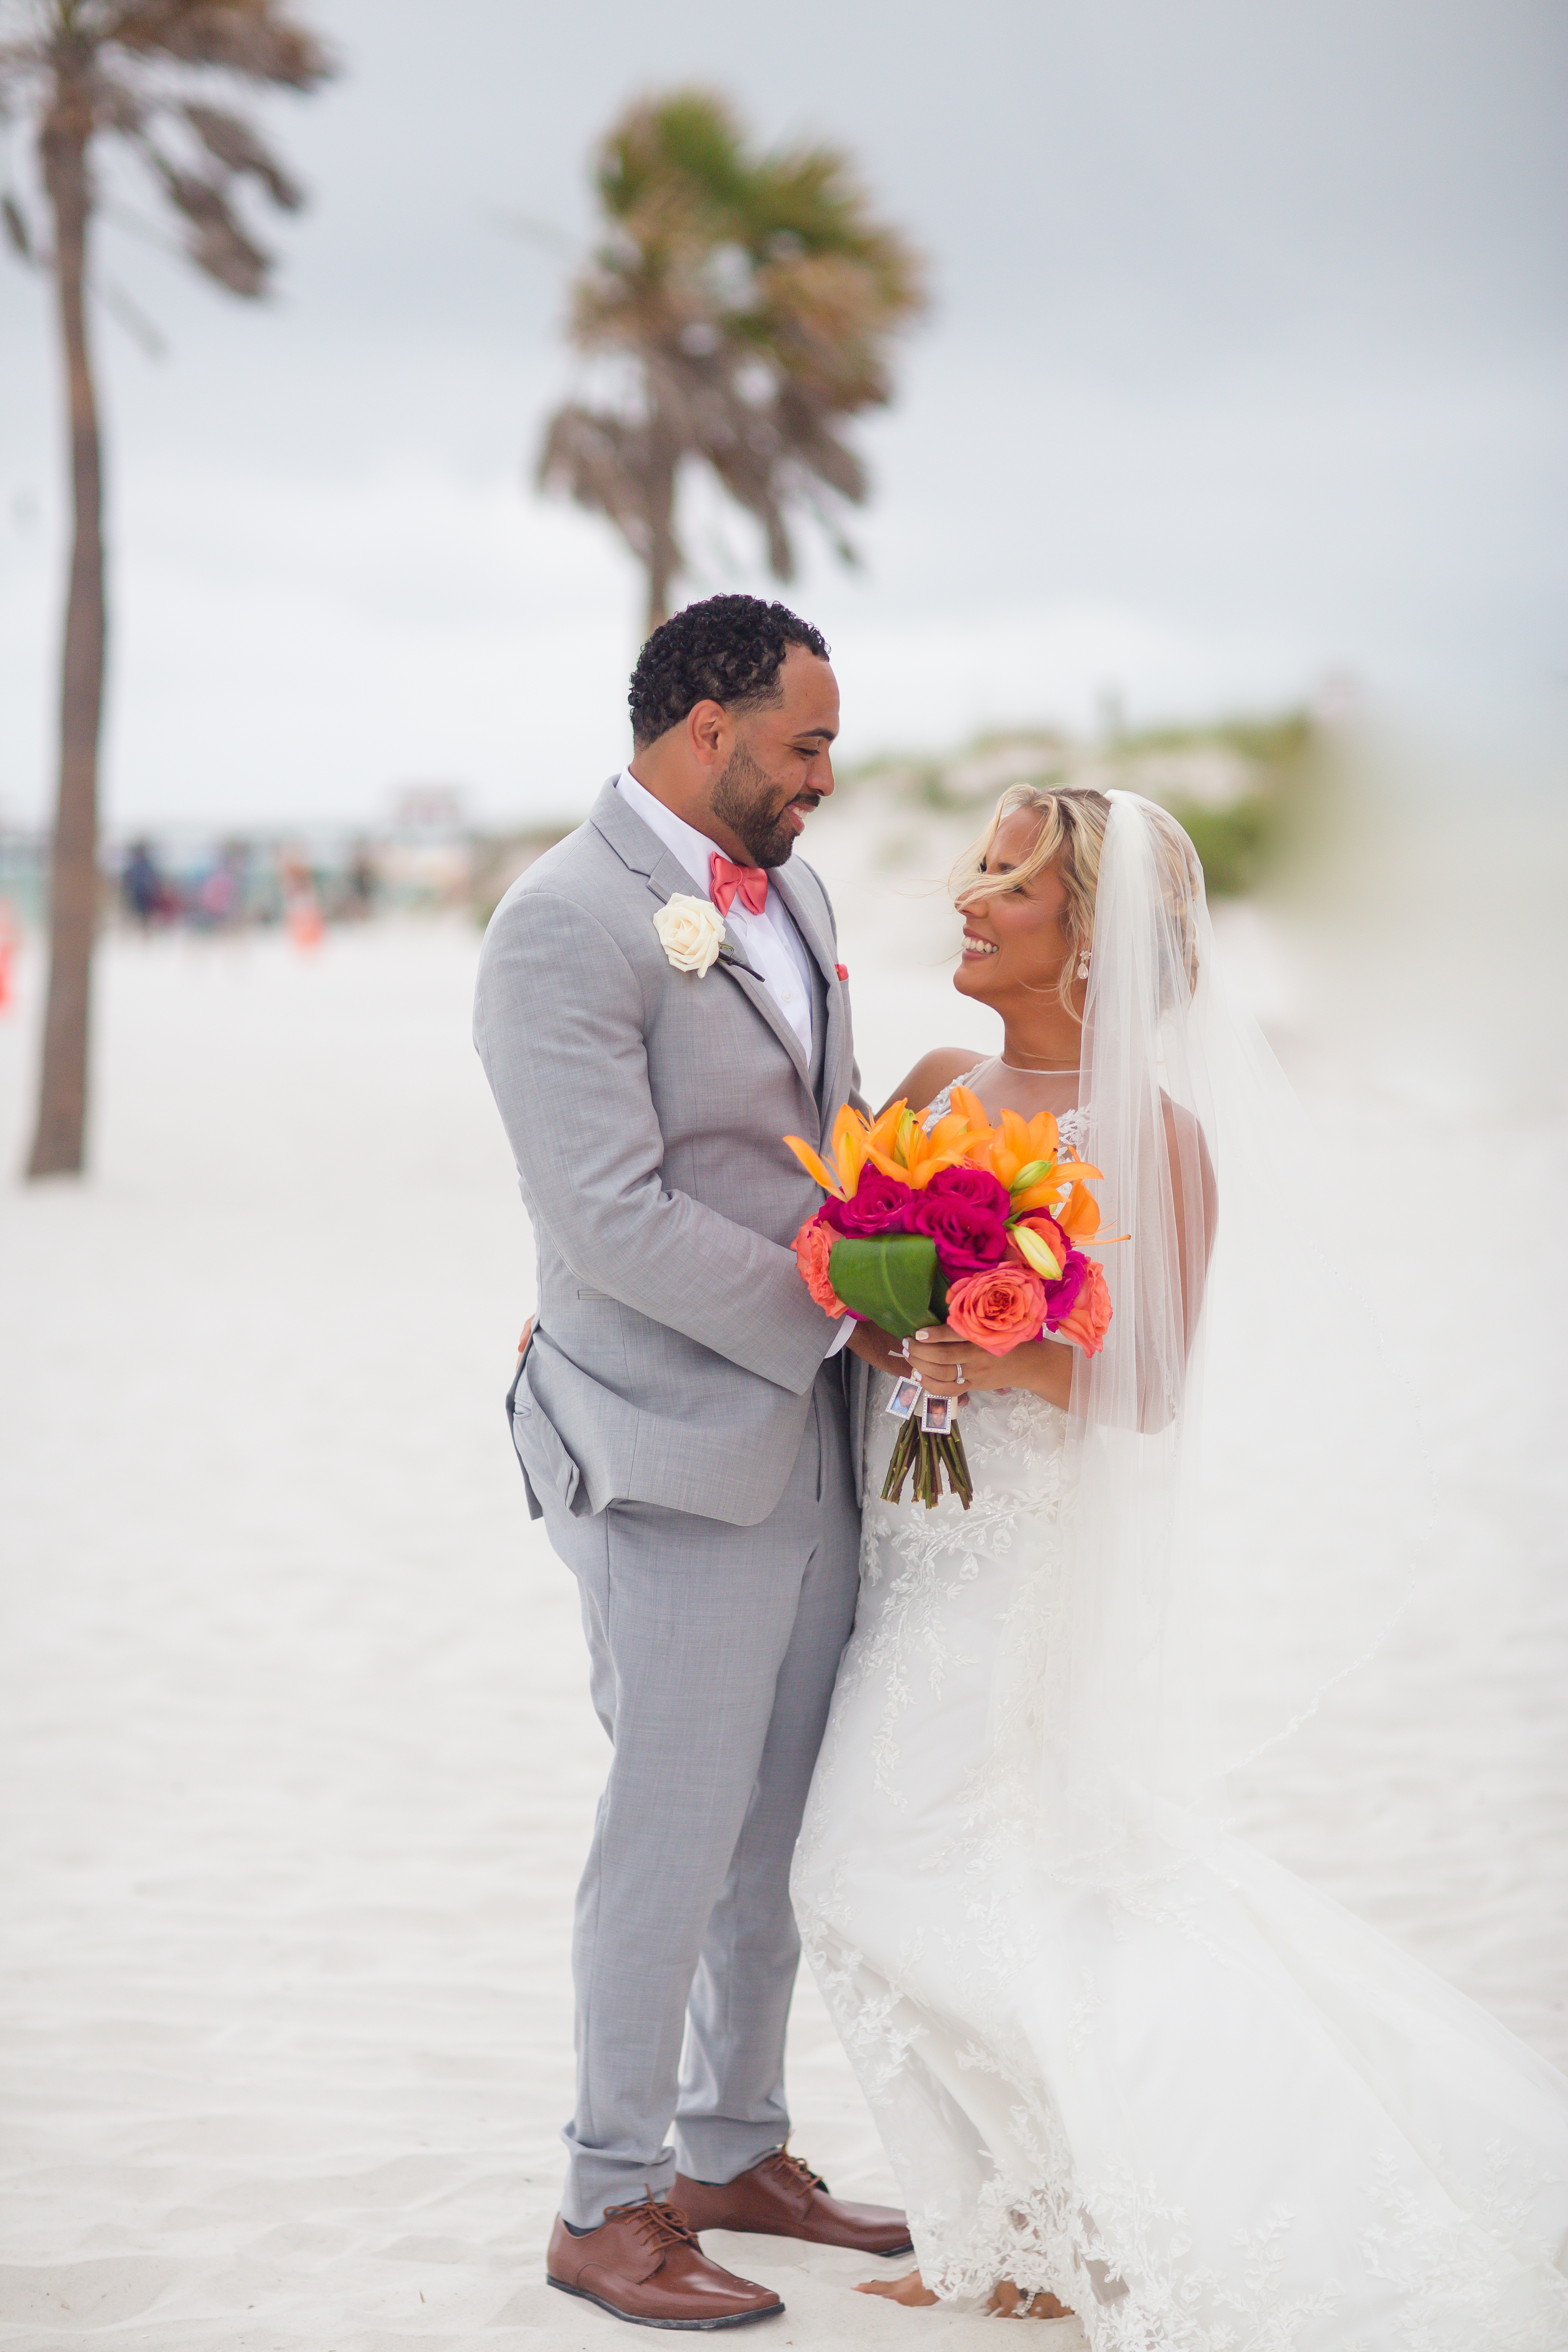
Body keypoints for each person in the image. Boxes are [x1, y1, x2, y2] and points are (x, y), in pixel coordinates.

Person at [794, 785, 1568, 2343]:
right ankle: (1014, 2238)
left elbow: (1146, 1393)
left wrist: (996, 1360)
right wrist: (891, 1324)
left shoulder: (1156, 1141)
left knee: (857, 1871)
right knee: (938, 1872)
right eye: (976, 869)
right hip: (907, 1542)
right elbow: (862, 1303)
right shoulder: (938, 1081)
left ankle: (1095, 2200)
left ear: (1090, 939)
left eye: (1008, 881)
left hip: (1013, 1567)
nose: (968, 897)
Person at [473, 595, 911, 2332]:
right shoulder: (558, 925)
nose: (824, 778)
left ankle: (736, 2149)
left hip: (815, 1431)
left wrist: (920, 1266)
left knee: (781, 1822)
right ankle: (605, 2201)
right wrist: (836, 1315)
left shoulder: (793, 893)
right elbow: (610, 1218)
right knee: (669, 1830)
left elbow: (833, 1140)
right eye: (804, 745)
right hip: (664, 1438)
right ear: (707, 728)